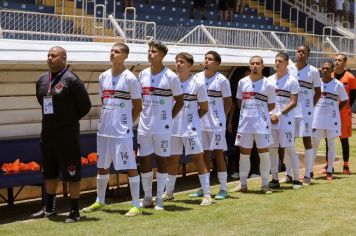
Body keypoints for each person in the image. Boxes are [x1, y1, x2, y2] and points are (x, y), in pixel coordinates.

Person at [82, 43, 142, 216]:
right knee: (102, 165)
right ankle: (100, 201)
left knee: (130, 165)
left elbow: (138, 107)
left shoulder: (130, 78)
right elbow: (105, 102)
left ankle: (135, 204)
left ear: (125, 56)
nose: (112, 54)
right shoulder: (103, 77)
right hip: (104, 130)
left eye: (117, 52)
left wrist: (126, 125)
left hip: (121, 132)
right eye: (111, 51)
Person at [33, 46, 91, 222]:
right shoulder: (42, 79)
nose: (50, 58)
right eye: (48, 55)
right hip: (48, 134)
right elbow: (42, 101)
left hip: (67, 135)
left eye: (54, 55)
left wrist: (67, 120)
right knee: (49, 172)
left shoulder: (72, 80)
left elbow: (85, 106)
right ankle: (49, 208)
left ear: (63, 58)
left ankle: (75, 211)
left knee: (72, 172)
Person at [138, 41, 184, 211]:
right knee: (144, 160)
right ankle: (147, 197)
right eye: (149, 50)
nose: (150, 53)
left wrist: (169, 119)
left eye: (154, 51)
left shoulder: (171, 76)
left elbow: (180, 102)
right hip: (144, 127)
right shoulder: (142, 74)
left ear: (162, 55)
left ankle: (159, 199)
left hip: (162, 128)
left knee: (162, 160)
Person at [164, 52, 212, 206]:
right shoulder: (171, 82)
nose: (178, 64)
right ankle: (169, 193)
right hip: (173, 128)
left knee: (198, 159)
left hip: (190, 129)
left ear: (189, 65)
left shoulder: (197, 83)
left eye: (182, 62)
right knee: (173, 159)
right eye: (177, 61)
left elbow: (204, 108)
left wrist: (192, 120)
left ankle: (207, 194)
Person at [189, 51, 232, 200]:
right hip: (200, 122)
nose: (206, 61)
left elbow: (228, 103)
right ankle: (204, 187)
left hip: (216, 125)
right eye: (205, 59)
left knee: (219, 154)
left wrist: (221, 118)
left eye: (210, 59)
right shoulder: (196, 78)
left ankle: (223, 188)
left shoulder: (222, 80)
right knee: (204, 155)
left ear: (217, 63)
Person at [231, 55, 276, 194]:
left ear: (262, 66)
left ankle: (264, 185)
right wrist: (248, 113)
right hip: (245, 124)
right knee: (244, 154)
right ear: (249, 66)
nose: (255, 65)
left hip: (262, 124)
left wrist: (259, 114)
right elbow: (239, 101)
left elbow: (272, 104)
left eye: (258, 63)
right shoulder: (242, 82)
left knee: (264, 154)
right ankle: (243, 184)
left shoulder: (268, 83)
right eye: (253, 63)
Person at [267, 52, 302, 190]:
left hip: (286, 120)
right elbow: (266, 100)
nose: (277, 63)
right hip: (272, 120)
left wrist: (279, 114)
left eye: (280, 61)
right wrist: (271, 114)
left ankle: (296, 179)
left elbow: (293, 102)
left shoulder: (292, 80)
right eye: (276, 61)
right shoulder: (269, 79)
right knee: (272, 149)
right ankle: (275, 178)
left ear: (287, 63)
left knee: (290, 148)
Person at [288, 45, 321, 185]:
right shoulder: (289, 69)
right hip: (290, 111)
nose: (300, 54)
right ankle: (289, 174)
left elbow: (318, 92)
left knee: (307, 141)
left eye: (304, 52)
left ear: (308, 55)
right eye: (298, 51)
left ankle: (307, 174)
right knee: (288, 141)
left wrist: (310, 106)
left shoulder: (313, 71)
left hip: (305, 112)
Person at [312, 62, 348, 180]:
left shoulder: (338, 84)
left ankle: (329, 170)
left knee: (331, 143)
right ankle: (309, 170)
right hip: (317, 118)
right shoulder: (316, 84)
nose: (325, 70)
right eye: (323, 68)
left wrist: (336, 110)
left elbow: (344, 100)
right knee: (314, 144)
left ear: (332, 70)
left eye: (328, 68)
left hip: (332, 119)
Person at [322, 54, 356, 174]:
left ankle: (346, 165)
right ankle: (327, 164)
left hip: (343, 112)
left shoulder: (350, 77)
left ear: (345, 62)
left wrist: (347, 108)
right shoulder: (329, 76)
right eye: (335, 60)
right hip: (329, 112)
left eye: (339, 60)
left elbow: (353, 96)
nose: (336, 62)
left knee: (344, 139)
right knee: (328, 138)